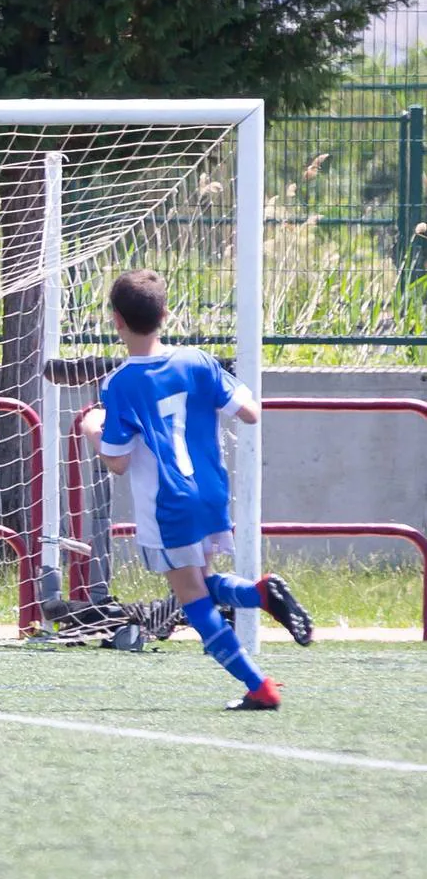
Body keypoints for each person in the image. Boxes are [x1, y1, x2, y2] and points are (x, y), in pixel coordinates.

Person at [79, 267, 313, 711]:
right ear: (166, 314)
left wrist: (93, 429)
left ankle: (258, 684)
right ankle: (258, 595)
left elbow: (118, 461)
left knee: (192, 600)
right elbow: (250, 412)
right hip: (210, 494)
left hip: (168, 503)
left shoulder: (120, 383)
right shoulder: (198, 361)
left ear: (116, 321)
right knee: (201, 580)